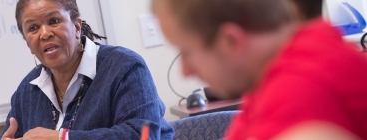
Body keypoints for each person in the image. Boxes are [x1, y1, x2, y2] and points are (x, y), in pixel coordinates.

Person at [152, 0, 367, 139]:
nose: (185, 71)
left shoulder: (303, 93)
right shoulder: (278, 69)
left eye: (187, 52)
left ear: (231, 41)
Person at [0, 0, 174, 139]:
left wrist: (62, 138)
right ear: (28, 42)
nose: (44, 33)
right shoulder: (26, 91)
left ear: (77, 26)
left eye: (54, 21)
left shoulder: (125, 66)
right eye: (33, 28)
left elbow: (142, 135)